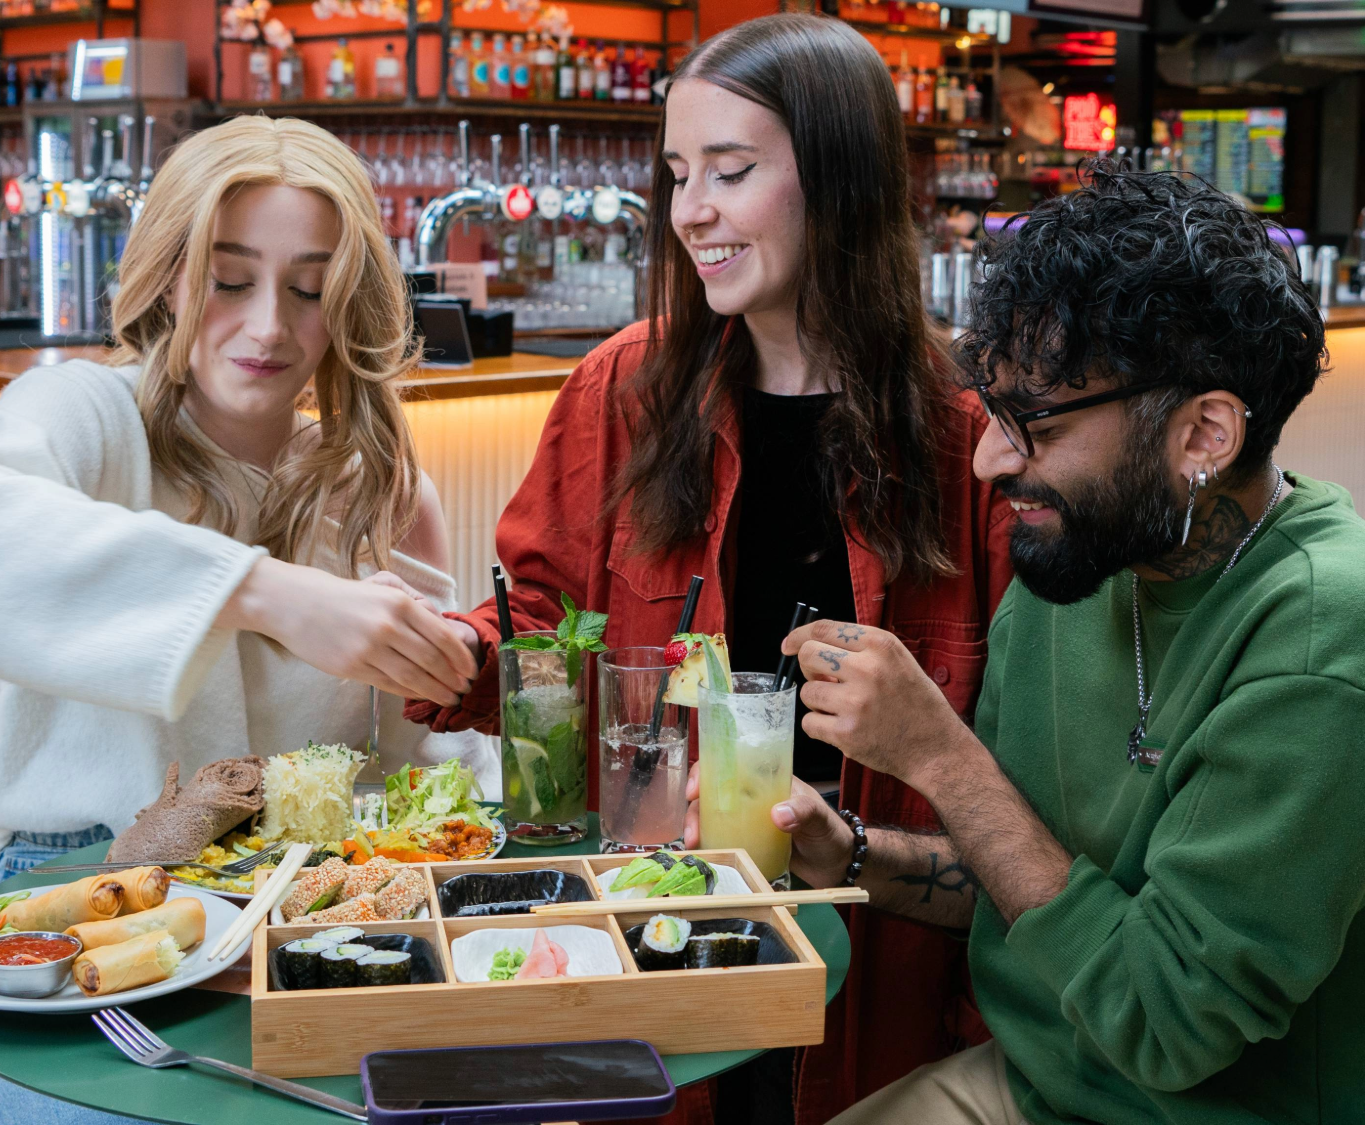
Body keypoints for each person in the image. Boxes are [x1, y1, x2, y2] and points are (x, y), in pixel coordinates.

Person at [406, 14, 1013, 1124]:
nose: (690, 210)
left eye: (730, 172)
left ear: (840, 178)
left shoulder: (971, 433)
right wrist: (446, 651)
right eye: (679, 173)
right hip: (652, 935)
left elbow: (1022, 781)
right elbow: (541, 632)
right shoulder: (624, 390)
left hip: (882, 966)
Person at [734, 164, 1365, 1123]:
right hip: (1040, 1084)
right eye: (992, 412)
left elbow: (1164, 1025)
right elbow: (1031, 876)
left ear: (1204, 432)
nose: (994, 458)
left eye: (1032, 420)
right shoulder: (1081, 559)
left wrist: (939, 756)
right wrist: (856, 853)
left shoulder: (1329, 646)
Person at [0, 116, 483, 1125]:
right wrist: (266, 593)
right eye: (228, 277)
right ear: (169, 275)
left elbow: (420, 783)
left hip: (305, 901)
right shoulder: (85, 420)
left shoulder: (380, 491)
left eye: (309, 290)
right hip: (82, 882)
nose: (268, 328)